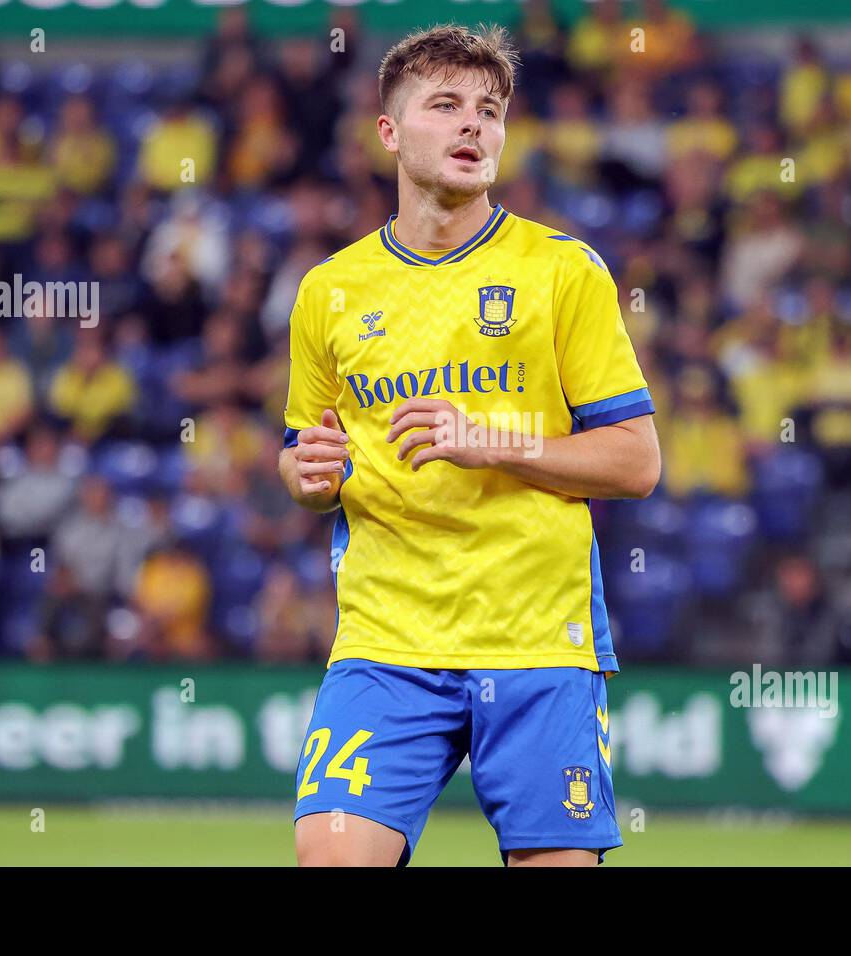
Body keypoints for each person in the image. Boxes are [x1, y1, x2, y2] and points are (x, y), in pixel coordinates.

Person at [281, 25, 659, 868]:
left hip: (536, 643)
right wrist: (303, 476)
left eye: (489, 110)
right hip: (386, 643)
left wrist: (493, 443)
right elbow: (304, 454)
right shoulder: (330, 291)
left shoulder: (564, 271)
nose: (472, 127)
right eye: (445, 105)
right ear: (389, 131)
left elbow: (637, 462)